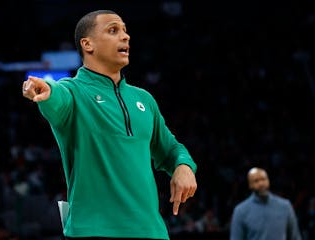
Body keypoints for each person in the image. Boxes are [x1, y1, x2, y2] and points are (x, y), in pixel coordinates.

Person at [22, 9, 197, 240]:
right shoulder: (73, 91)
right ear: (88, 44)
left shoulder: (144, 99)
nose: (125, 36)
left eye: (125, 30)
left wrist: (183, 166)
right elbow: (57, 98)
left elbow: (171, 149)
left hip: (151, 231)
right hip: (93, 231)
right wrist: (47, 90)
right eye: (113, 30)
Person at [230, 167, 302, 240]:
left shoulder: (285, 206)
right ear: (250, 185)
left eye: (263, 179)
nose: (261, 184)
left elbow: (295, 237)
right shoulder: (240, 211)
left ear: (268, 180)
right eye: (256, 181)